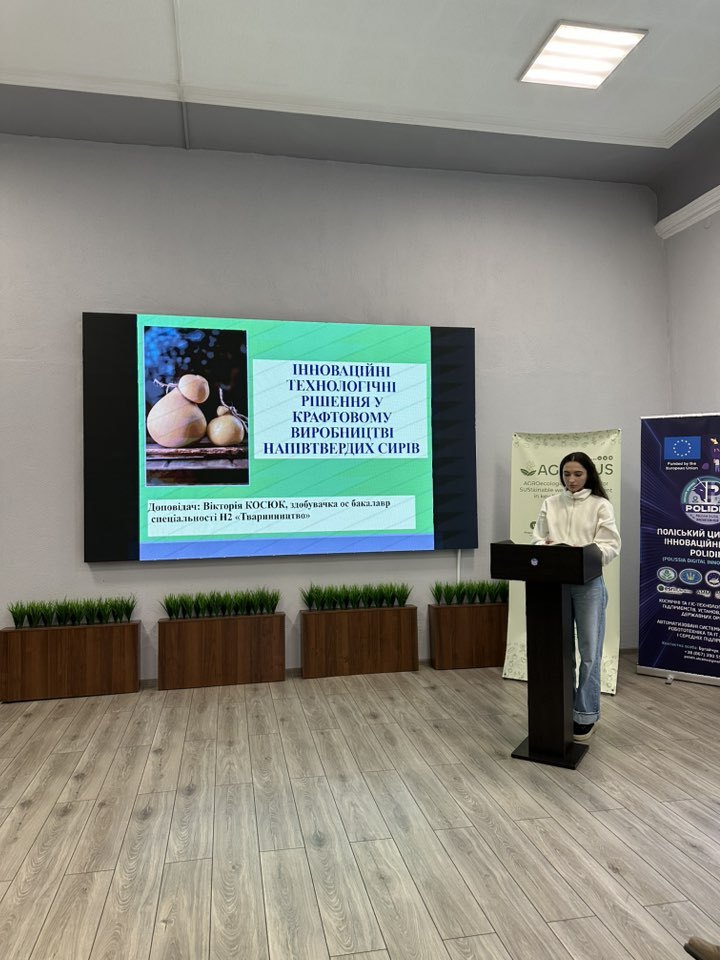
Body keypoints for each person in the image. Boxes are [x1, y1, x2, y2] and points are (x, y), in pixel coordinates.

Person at [532, 451, 621, 742]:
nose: (571, 480)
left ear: (589, 475)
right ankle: (562, 707)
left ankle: (585, 714)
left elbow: (610, 546)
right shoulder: (550, 503)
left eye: (577, 474)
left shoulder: (600, 505)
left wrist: (582, 554)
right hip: (554, 585)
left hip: (588, 585)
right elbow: (537, 538)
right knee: (559, 651)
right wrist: (546, 547)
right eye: (566, 474)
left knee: (589, 651)